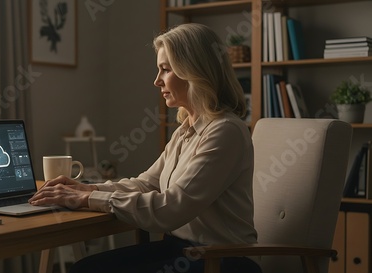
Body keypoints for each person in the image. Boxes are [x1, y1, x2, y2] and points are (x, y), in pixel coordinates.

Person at [29, 23, 261, 273]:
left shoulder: (225, 131)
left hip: (220, 260)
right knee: (83, 268)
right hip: (182, 250)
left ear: (193, 71)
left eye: (165, 69)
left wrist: (87, 198)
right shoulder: (187, 130)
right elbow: (147, 183)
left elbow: (171, 208)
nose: (156, 81)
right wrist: (90, 188)